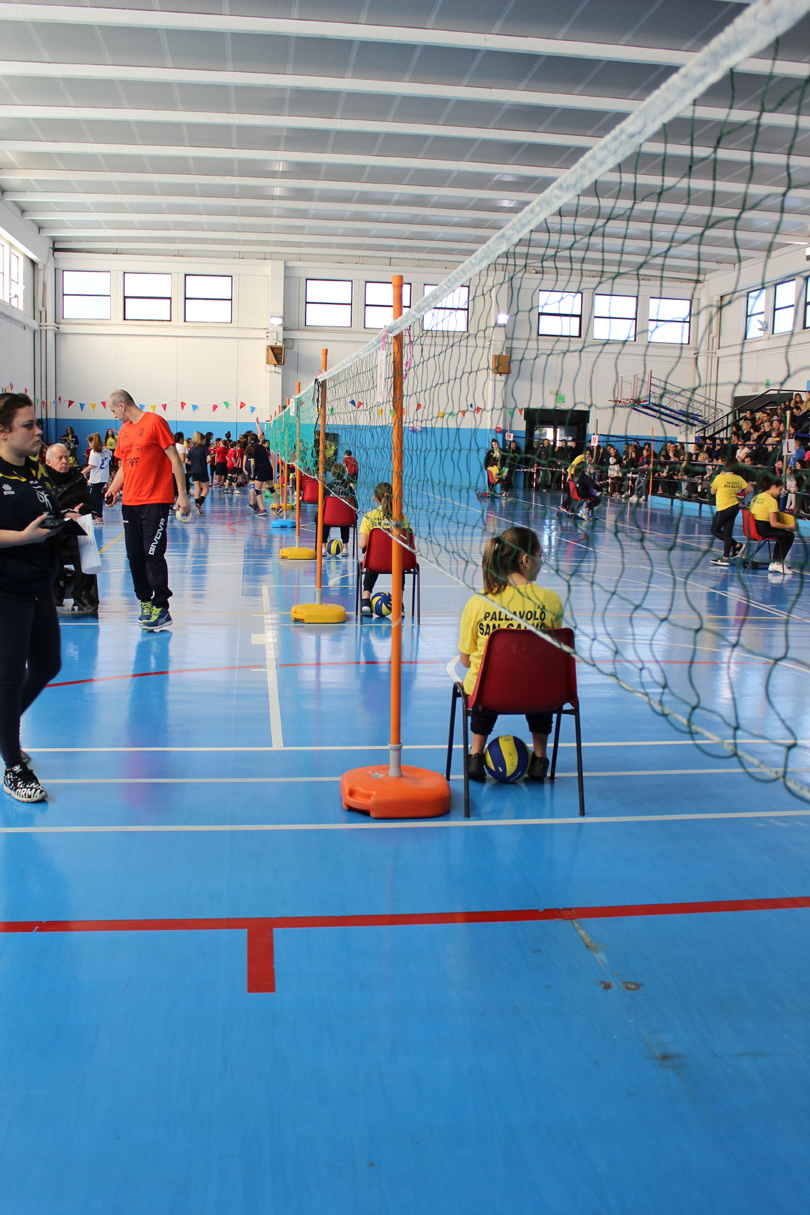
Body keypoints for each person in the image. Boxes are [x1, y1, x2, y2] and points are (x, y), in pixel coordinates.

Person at [0, 394, 77, 802]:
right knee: (9, 678)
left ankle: (4, 734)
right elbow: (19, 531)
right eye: (27, 425)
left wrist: (65, 519)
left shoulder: (34, 470)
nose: (37, 431)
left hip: (38, 586)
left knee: (48, 664)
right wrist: (22, 538)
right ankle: (13, 766)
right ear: (3, 431)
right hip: (7, 589)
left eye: (36, 423)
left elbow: (45, 513)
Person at [457, 526, 564, 785]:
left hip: (488, 693)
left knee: (482, 680)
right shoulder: (551, 601)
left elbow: (465, 660)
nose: (541, 562)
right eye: (540, 556)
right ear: (526, 560)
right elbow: (554, 656)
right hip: (538, 695)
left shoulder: (478, 603)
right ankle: (540, 760)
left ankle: (475, 755)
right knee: (539, 679)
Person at [104, 389, 191, 631]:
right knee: (134, 556)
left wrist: (182, 494)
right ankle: (145, 601)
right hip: (130, 503)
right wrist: (112, 490)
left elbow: (175, 459)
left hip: (155, 501)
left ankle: (161, 607)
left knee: (153, 553)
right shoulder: (124, 431)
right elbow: (124, 466)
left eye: (113, 410)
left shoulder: (155, 422)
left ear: (122, 406)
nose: (114, 416)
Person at [45, 443, 99, 614]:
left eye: (66, 457)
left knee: (85, 546)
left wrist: (80, 509)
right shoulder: (41, 480)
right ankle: (53, 589)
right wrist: (63, 513)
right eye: (59, 458)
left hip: (72, 530)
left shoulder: (77, 479)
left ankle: (82, 592)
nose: (64, 461)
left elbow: (90, 503)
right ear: (48, 462)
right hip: (48, 529)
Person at [358, 481, 410, 617]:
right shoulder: (401, 517)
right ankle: (399, 603)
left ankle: (365, 601)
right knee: (399, 562)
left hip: (375, 562)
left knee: (372, 558)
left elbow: (362, 544)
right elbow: (408, 541)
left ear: (375, 499)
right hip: (397, 563)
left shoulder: (369, 517)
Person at [749, 474, 797, 575]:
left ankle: (774, 563)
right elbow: (774, 524)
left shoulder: (756, 497)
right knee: (789, 535)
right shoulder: (771, 501)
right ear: (774, 487)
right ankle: (778, 563)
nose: (780, 493)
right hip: (763, 530)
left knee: (781, 534)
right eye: (780, 489)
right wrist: (790, 527)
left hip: (753, 528)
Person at [709, 462, 751, 565]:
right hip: (735, 506)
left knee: (714, 530)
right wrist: (738, 494)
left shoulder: (720, 477)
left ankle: (737, 545)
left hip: (724, 507)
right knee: (727, 532)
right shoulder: (738, 478)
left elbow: (712, 492)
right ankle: (725, 557)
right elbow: (749, 490)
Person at [322, 462, 357, 553]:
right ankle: (345, 547)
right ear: (343, 473)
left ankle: (323, 547)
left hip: (328, 518)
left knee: (321, 517)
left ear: (332, 473)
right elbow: (355, 505)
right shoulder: (348, 488)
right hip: (345, 519)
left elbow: (321, 503)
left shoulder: (327, 487)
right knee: (345, 516)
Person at [85, 432, 111, 520]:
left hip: (96, 477)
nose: (88, 444)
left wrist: (82, 472)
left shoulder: (93, 452)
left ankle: (99, 515)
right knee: (93, 495)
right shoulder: (105, 450)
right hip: (104, 476)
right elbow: (110, 455)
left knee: (96, 496)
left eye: (89, 442)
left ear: (92, 442)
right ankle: (94, 513)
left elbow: (92, 465)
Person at [187, 431, 210, 516]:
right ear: (202, 440)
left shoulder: (192, 448)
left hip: (194, 471)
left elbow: (186, 460)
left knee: (197, 489)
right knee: (206, 490)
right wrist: (205, 462)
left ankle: (198, 509)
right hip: (202, 470)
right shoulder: (204, 448)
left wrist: (193, 464)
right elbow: (209, 458)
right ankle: (198, 504)